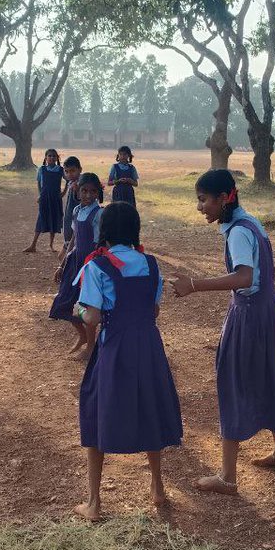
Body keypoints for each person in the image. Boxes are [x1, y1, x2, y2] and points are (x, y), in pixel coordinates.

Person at [170, 169, 275, 495]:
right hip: (266, 308)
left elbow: (243, 277)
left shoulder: (239, 232)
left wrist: (194, 286)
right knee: (268, 374)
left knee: (233, 379)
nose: (200, 208)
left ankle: (227, 476)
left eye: (203, 200)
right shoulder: (249, 221)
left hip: (251, 312)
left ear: (224, 198)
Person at [73, 201, 182, 521]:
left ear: (103, 231)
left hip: (115, 347)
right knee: (149, 406)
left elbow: (91, 317)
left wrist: (77, 310)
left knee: (96, 410)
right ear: (135, 230)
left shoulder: (97, 267)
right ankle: (158, 488)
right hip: (148, 346)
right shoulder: (150, 264)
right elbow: (154, 310)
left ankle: (94, 502)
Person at [49, 172, 103, 353]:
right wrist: (62, 264)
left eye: (92, 191)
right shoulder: (76, 210)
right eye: (84, 190)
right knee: (65, 302)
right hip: (74, 262)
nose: (88, 195)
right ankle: (82, 336)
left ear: (98, 193)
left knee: (86, 305)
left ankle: (90, 347)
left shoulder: (99, 214)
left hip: (90, 265)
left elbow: (99, 242)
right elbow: (73, 238)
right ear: (77, 191)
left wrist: (94, 267)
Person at [25, 149, 64, 252]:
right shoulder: (41, 169)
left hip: (55, 199)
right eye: (49, 156)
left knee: (53, 219)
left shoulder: (60, 170)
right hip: (45, 198)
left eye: (54, 156)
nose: (51, 158)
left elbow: (68, 180)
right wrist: (40, 194)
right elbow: (39, 182)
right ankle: (33, 245)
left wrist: (64, 192)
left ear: (57, 158)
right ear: (45, 158)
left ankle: (51, 245)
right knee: (41, 219)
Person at [61, 156, 82, 246]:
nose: (69, 174)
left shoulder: (82, 183)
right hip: (70, 213)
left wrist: (77, 189)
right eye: (66, 171)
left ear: (80, 169)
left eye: (73, 171)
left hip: (78, 216)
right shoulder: (70, 182)